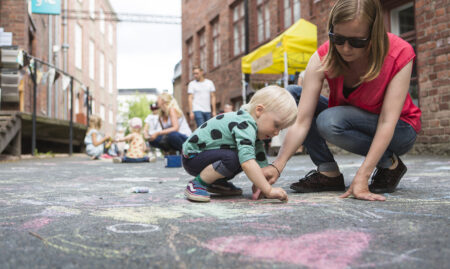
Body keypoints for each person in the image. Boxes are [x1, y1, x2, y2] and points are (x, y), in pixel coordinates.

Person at [265, 0, 421, 201]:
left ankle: (389, 163)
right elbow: (302, 120)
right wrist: (277, 166)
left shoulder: (399, 52)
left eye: (357, 42)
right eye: (337, 39)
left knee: (330, 121)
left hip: (400, 129)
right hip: (349, 118)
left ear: (374, 34)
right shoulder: (324, 55)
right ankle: (328, 172)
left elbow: (386, 121)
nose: (346, 48)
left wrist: (362, 176)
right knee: (294, 93)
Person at [182, 85, 297, 202]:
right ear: (259, 110)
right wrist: (268, 190)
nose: (276, 133)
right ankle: (196, 184)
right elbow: (248, 163)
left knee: (243, 156)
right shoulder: (245, 123)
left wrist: (261, 184)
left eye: (281, 129)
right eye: (276, 125)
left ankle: (217, 183)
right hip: (193, 157)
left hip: (204, 156)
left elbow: (260, 163)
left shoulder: (253, 129)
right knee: (236, 158)